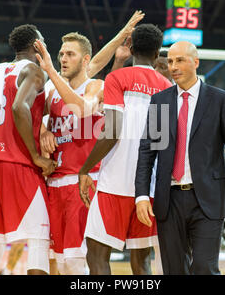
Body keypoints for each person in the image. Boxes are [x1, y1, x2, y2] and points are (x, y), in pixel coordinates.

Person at [135, 41, 225, 275]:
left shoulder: (220, 100)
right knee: (173, 270)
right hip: (168, 200)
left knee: (204, 267)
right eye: (170, 61)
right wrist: (141, 194)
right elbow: (148, 151)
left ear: (196, 62)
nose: (173, 66)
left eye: (180, 60)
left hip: (208, 199)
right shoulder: (160, 101)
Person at [77, 24, 172, 275]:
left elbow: (113, 130)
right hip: (147, 189)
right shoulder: (166, 86)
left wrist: (85, 169)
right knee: (141, 263)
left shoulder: (117, 78)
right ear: (157, 53)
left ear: (130, 49)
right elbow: (161, 142)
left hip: (114, 183)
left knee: (97, 256)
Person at [0, 24, 56, 275]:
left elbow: (13, 107)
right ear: (36, 45)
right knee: (39, 236)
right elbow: (19, 107)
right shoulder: (33, 70)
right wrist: (35, 155)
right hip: (18, 161)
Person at [35, 32, 104, 275]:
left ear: (86, 60)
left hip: (82, 181)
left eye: (70, 54)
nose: (63, 58)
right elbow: (30, 117)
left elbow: (84, 109)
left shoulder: (96, 86)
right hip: (54, 183)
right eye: (61, 54)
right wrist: (44, 129)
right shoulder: (51, 92)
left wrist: (51, 71)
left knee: (76, 260)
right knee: (57, 261)